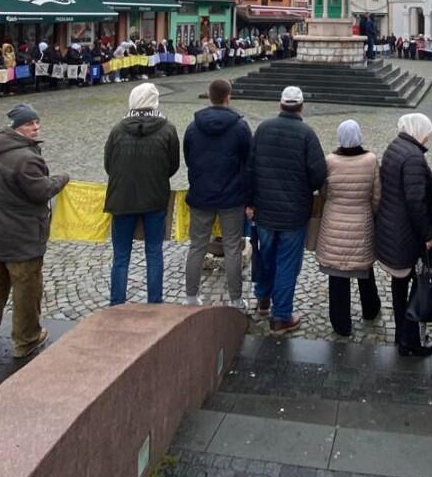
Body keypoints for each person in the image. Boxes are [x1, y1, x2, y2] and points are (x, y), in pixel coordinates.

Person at [0, 104, 70, 359]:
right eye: (29, 124)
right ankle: (26, 339)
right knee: (26, 291)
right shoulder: (26, 158)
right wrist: (62, 178)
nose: (35, 128)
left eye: (37, 122)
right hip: (22, 236)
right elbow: (42, 190)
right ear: (16, 128)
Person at [248, 86, 326, 333]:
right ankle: (281, 316)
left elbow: (249, 169)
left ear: (280, 104)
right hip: (293, 213)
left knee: (265, 256)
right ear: (301, 107)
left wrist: (250, 202)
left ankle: (262, 299)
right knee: (287, 264)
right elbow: (318, 175)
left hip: (264, 211)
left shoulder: (263, 129)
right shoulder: (307, 134)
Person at [104, 83, 180, 305]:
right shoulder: (167, 129)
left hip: (122, 198)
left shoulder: (118, 129)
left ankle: (117, 302)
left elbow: (109, 164)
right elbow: (172, 165)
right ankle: (155, 302)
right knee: (154, 252)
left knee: (120, 256)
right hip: (155, 197)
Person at [182, 78, 252, 308]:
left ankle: (191, 296)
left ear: (209, 95)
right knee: (232, 247)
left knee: (197, 245)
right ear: (228, 96)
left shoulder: (193, 127)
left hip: (201, 194)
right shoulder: (240, 127)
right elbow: (248, 161)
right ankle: (235, 299)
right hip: (232, 196)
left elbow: (189, 158)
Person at [375, 113, 432, 356]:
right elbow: (415, 201)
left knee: (400, 284)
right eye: (427, 131)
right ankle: (409, 340)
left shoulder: (396, 146)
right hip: (405, 234)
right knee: (416, 286)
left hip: (393, 228)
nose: (429, 136)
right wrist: (428, 234)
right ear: (417, 130)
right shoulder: (413, 157)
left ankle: (403, 333)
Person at [315, 120, 382, 336]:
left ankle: (341, 324)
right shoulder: (371, 160)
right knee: (363, 266)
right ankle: (371, 309)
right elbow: (377, 195)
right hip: (361, 218)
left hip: (334, 219)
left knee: (337, 274)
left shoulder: (330, 161)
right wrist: (368, 211)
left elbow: (324, 192)